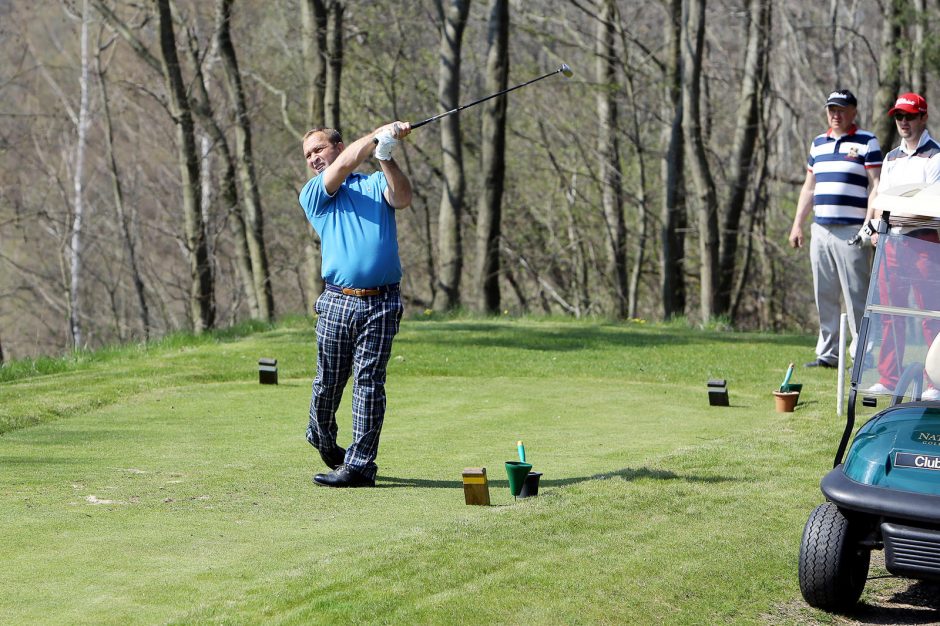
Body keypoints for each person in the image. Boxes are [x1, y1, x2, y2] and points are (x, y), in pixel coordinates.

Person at [299, 121, 412, 488]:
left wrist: (385, 156)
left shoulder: (373, 183)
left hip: (382, 301)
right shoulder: (315, 193)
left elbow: (403, 198)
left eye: (319, 150)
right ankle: (322, 436)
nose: (314, 158)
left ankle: (361, 466)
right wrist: (378, 133)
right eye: (308, 155)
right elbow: (345, 165)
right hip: (336, 302)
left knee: (369, 382)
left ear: (338, 144)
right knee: (328, 383)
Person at [789, 89, 882, 369]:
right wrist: (797, 225)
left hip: (852, 231)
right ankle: (829, 354)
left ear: (853, 112)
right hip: (821, 230)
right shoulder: (818, 144)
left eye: (841, 110)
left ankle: (863, 355)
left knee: (857, 295)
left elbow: (876, 185)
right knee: (824, 294)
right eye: (831, 109)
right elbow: (809, 188)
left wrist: (869, 224)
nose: (835, 115)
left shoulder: (867, 141)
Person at [862, 93, 940, 400]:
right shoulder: (891, 157)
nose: (903, 123)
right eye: (898, 117)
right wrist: (882, 222)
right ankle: (889, 377)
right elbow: (883, 200)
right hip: (892, 241)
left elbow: (929, 207)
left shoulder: (936, 157)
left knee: (930, 314)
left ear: (923, 117)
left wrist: (898, 209)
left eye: (909, 116)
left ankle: (935, 381)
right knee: (890, 311)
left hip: (924, 242)